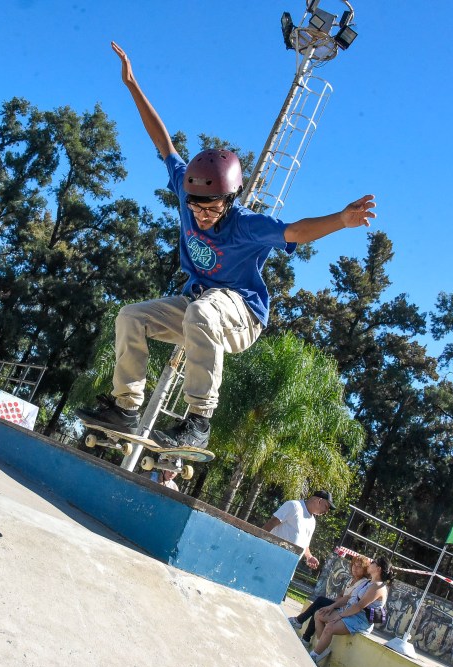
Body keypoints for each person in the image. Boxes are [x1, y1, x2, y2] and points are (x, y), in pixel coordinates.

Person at [74, 42, 376, 450]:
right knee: (132, 316)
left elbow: (298, 232)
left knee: (203, 311)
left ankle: (199, 422)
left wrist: (341, 220)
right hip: (198, 308)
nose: (201, 215)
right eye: (195, 207)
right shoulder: (186, 188)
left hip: (241, 316)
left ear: (230, 199)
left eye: (212, 208)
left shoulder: (248, 224)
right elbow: (163, 142)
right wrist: (132, 85)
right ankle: (125, 409)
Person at [309, 556, 395, 664]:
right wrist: (331, 606)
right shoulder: (367, 582)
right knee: (319, 614)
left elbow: (359, 606)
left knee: (329, 627)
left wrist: (340, 616)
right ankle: (322, 649)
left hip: (360, 620)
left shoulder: (378, 587)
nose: (370, 563)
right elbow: (348, 597)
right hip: (350, 612)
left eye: (373, 562)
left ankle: (313, 656)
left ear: (378, 568)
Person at [289, 554, 371, 645]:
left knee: (320, 601)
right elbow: (341, 594)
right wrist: (338, 601)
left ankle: (299, 622)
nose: (355, 568)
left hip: (346, 609)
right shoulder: (351, 580)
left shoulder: (363, 583)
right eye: (354, 565)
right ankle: (305, 638)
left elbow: (348, 598)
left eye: (359, 567)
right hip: (340, 604)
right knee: (319, 608)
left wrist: (336, 603)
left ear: (365, 570)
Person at [262, 491, 335, 570]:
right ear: (319, 501)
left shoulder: (312, 522)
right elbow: (272, 523)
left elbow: (305, 545)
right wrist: (257, 539)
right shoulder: (294, 506)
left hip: (288, 566)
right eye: (326, 507)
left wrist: (309, 557)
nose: (326, 511)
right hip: (271, 556)